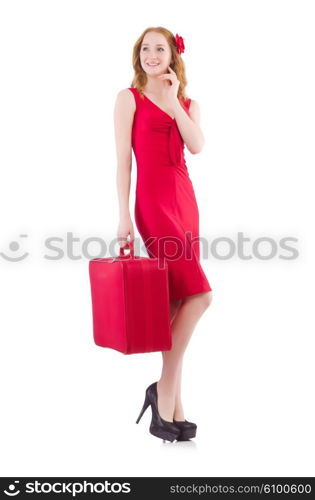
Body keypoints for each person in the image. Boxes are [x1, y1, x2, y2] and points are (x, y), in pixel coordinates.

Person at [114, 27, 213, 442]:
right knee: (201, 295)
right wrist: (123, 218)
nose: (151, 55)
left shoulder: (187, 102)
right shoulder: (128, 98)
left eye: (160, 49)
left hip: (185, 202)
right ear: (139, 56)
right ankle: (163, 389)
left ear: (173, 56)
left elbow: (197, 146)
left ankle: (173, 403)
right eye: (145, 49)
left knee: (176, 302)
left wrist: (174, 102)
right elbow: (123, 164)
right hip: (154, 205)